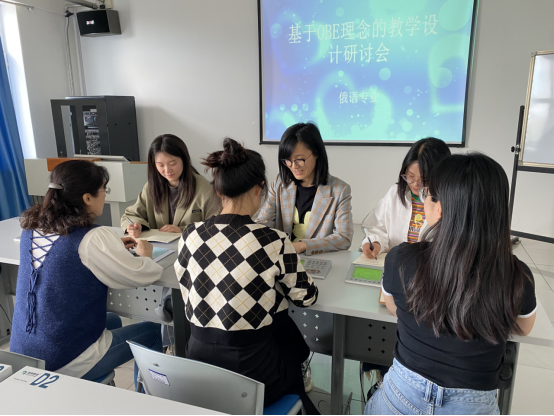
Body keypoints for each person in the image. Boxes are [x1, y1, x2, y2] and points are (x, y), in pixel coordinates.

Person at [366, 154, 537, 415]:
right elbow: (523, 328)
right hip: (474, 406)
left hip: (401, 396)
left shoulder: (400, 259)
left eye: (428, 194)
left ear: (441, 208)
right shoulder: (517, 274)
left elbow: (393, 307)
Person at [175, 138, 319, 414]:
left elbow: (189, 291)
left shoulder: (190, 234)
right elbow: (306, 298)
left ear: (218, 190)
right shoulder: (272, 240)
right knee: (285, 331)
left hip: (198, 371)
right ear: (258, 189)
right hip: (253, 377)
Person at [11, 160, 163, 387]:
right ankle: (145, 401)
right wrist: (146, 255)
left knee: (112, 320)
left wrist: (110, 249)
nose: (105, 196)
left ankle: (102, 391)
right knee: (153, 332)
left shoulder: (31, 228)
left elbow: (68, 256)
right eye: (104, 190)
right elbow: (140, 275)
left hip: (24, 354)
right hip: (62, 360)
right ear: (87, 198)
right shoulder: (92, 237)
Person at [256, 122, 353, 256]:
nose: (293, 166)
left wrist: (302, 246)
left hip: (318, 260)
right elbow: (262, 223)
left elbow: (344, 238)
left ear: (316, 153)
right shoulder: (280, 183)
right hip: (283, 259)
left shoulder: (339, 190)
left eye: (299, 159)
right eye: (288, 160)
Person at [361, 138, 451, 259]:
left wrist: (409, 253)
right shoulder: (395, 193)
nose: (415, 184)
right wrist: (376, 242)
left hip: (427, 266)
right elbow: (376, 226)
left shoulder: (447, 203)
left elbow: (448, 246)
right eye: (410, 176)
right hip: (395, 263)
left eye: (424, 180)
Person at [122, 134, 213, 237]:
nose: (167, 170)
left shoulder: (205, 189)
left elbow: (217, 226)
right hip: (158, 246)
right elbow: (130, 215)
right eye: (160, 165)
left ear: (184, 160)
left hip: (191, 245)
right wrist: (134, 226)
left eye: (172, 163)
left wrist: (184, 230)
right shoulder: (151, 187)